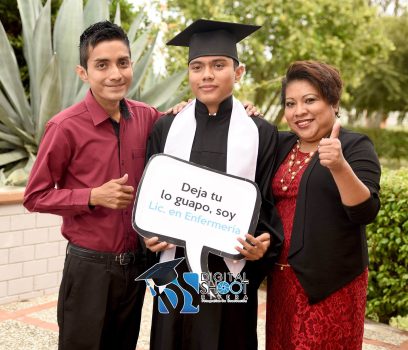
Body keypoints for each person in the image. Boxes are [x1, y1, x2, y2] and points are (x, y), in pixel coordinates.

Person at [23, 21, 164, 350]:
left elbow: (185, 127)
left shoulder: (148, 117)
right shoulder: (64, 127)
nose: (115, 74)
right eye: (102, 65)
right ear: (83, 72)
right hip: (88, 270)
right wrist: (92, 196)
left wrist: (241, 109)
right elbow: (34, 196)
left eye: (123, 63)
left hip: (135, 268)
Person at [144, 19, 283, 350]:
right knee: (172, 339)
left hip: (229, 269)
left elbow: (267, 202)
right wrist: (147, 235)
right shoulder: (166, 127)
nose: (206, 74)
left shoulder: (260, 132)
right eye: (197, 66)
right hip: (174, 267)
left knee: (224, 340)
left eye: (218, 65)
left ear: (238, 72)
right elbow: (149, 194)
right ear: (189, 73)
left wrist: (263, 244)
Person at [265, 60, 381, 349]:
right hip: (281, 282)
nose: (299, 111)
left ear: (333, 101)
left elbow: (366, 211)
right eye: (290, 104)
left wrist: (339, 166)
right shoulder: (281, 145)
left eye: (310, 100)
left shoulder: (355, 146)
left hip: (330, 284)